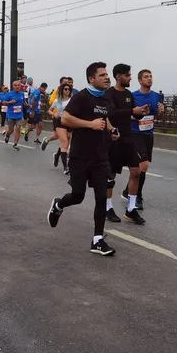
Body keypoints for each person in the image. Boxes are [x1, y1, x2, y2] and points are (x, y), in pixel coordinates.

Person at [47, 62, 119, 256]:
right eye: (102, 75)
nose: (106, 77)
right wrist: (90, 124)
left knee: (102, 197)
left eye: (106, 74)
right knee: (78, 196)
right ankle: (59, 204)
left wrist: (111, 130)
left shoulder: (106, 98)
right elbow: (65, 119)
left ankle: (97, 240)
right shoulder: (81, 97)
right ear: (91, 79)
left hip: (100, 157)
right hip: (80, 157)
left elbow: (105, 118)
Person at [104, 64, 147, 225]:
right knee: (111, 175)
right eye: (127, 75)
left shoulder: (129, 94)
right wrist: (132, 112)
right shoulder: (110, 93)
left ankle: (130, 209)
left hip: (129, 138)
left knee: (136, 171)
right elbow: (111, 113)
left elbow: (133, 114)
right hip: (114, 139)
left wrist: (140, 113)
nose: (130, 78)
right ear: (118, 76)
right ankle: (108, 207)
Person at [121, 69, 164, 209]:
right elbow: (126, 115)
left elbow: (158, 116)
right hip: (135, 133)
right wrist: (136, 115)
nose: (149, 79)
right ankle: (137, 195)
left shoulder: (157, 96)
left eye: (151, 76)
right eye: (146, 77)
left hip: (148, 133)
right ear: (140, 80)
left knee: (140, 167)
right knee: (143, 165)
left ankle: (128, 191)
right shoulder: (133, 96)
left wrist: (161, 112)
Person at [47, 83, 73, 174]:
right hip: (60, 122)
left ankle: (57, 155)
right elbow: (49, 110)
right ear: (62, 90)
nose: (67, 91)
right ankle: (66, 168)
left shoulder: (72, 100)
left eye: (69, 89)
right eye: (65, 89)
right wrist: (54, 114)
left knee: (67, 141)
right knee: (65, 142)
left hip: (69, 122)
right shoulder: (57, 101)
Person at [2, 80, 25, 151]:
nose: (17, 87)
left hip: (19, 115)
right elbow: (3, 102)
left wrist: (29, 106)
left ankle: (15, 144)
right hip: (10, 115)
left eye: (18, 85)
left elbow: (24, 102)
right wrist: (10, 102)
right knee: (11, 130)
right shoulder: (9, 94)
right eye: (15, 85)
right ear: (13, 86)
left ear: (20, 86)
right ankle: (7, 135)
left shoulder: (22, 94)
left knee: (18, 129)